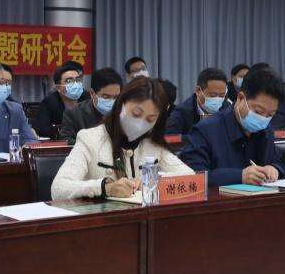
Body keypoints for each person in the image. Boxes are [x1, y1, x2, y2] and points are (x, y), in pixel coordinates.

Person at [51, 77, 193, 200]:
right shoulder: (90, 139)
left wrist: (151, 181)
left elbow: (190, 178)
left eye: (150, 119)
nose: (141, 123)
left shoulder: (153, 144)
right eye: (136, 113)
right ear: (121, 104)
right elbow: (59, 189)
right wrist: (105, 188)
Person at [179, 68, 285, 186]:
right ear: (240, 98)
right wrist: (239, 176)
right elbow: (194, 176)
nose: (263, 119)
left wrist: (274, 169)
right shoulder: (204, 131)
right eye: (258, 111)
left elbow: (279, 162)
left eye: (270, 115)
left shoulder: (266, 130)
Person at [60, 67, 122, 144]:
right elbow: (66, 141)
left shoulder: (126, 112)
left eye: (116, 97)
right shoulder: (74, 114)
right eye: (106, 97)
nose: (112, 101)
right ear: (92, 93)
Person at [166, 67, 230, 136]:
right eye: (213, 95)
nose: (217, 100)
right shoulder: (182, 113)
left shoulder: (227, 108)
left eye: (221, 96)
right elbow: (170, 138)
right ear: (198, 91)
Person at [32, 60, 85, 137]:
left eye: (78, 80)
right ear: (58, 88)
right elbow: (42, 130)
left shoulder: (88, 99)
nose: (75, 84)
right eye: (69, 81)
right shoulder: (49, 103)